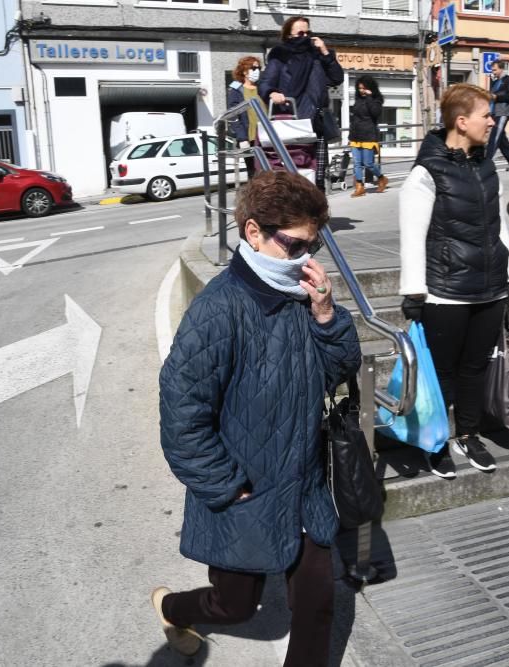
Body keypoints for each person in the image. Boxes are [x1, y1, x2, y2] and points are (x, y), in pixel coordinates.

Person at [154, 170, 361, 664]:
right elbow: (181, 417)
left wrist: (327, 315)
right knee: (234, 605)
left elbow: (340, 369)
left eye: (313, 246)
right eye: (295, 245)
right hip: (244, 493)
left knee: (317, 607)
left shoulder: (300, 296)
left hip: (305, 486)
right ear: (253, 232)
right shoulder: (217, 312)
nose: (305, 259)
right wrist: (228, 486)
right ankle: (172, 608)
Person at [398, 84, 509, 479]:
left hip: (490, 288)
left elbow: (497, 225)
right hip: (445, 292)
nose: (492, 121)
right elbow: (412, 234)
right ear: (461, 121)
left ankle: (467, 435)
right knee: (442, 373)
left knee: (476, 369)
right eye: (486, 115)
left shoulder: (488, 166)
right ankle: (436, 442)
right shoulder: (426, 172)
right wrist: (414, 292)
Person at [260, 16, 344, 190]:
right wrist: (272, 92)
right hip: (292, 121)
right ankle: (292, 215)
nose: (305, 36)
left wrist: (325, 52)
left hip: (316, 121)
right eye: (300, 33)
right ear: (289, 35)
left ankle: (316, 215)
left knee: (318, 176)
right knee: (293, 175)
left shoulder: (317, 55)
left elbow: (337, 78)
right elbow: (266, 82)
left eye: (308, 32)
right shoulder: (280, 55)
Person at [348, 75, 388, 198]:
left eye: (364, 88)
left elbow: (375, 112)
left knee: (368, 163)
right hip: (355, 135)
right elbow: (355, 117)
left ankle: (381, 178)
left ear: (370, 88)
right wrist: (350, 134)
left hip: (368, 135)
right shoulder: (358, 99)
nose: (362, 91)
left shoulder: (376, 100)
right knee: (356, 163)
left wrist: (370, 97)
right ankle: (360, 187)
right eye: (360, 88)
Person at [227, 55, 267, 178]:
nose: (257, 71)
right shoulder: (236, 90)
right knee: (254, 172)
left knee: (268, 169)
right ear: (244, 71)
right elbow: (232, 115)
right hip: (249, 137)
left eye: (259, 68)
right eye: (254, 68)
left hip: (266, 136)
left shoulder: (263, 88)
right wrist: (242, 137)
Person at [487, 60, 509, 168]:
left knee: (495, 135)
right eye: (492, 70)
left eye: (495, 69)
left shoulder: (507, 79)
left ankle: (487, 161)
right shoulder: (495, 82)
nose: (493, 72)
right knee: (501, 138)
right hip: (496, 111)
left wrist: (497, 96)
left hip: (504, 111)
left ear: (501, 69)